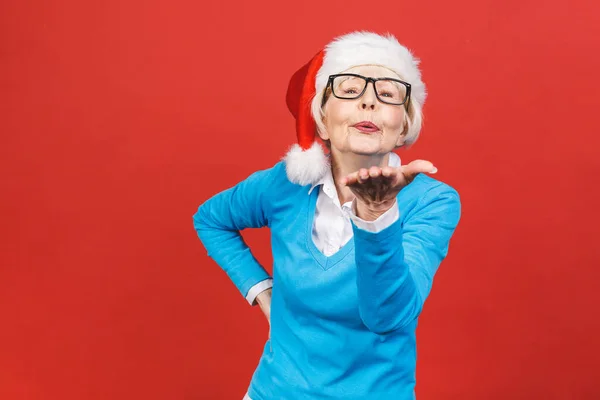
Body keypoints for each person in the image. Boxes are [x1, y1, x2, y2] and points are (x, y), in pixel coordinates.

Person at [193, 31, 461, 400]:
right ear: (321, 119)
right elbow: (211, 219)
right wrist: (262, 291)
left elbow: (388, 317)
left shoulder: (432, 202)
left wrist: (376, 217)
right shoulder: (284, 184)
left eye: (388, 92)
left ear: (404, 124)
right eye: (349, 89)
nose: (369, 101)